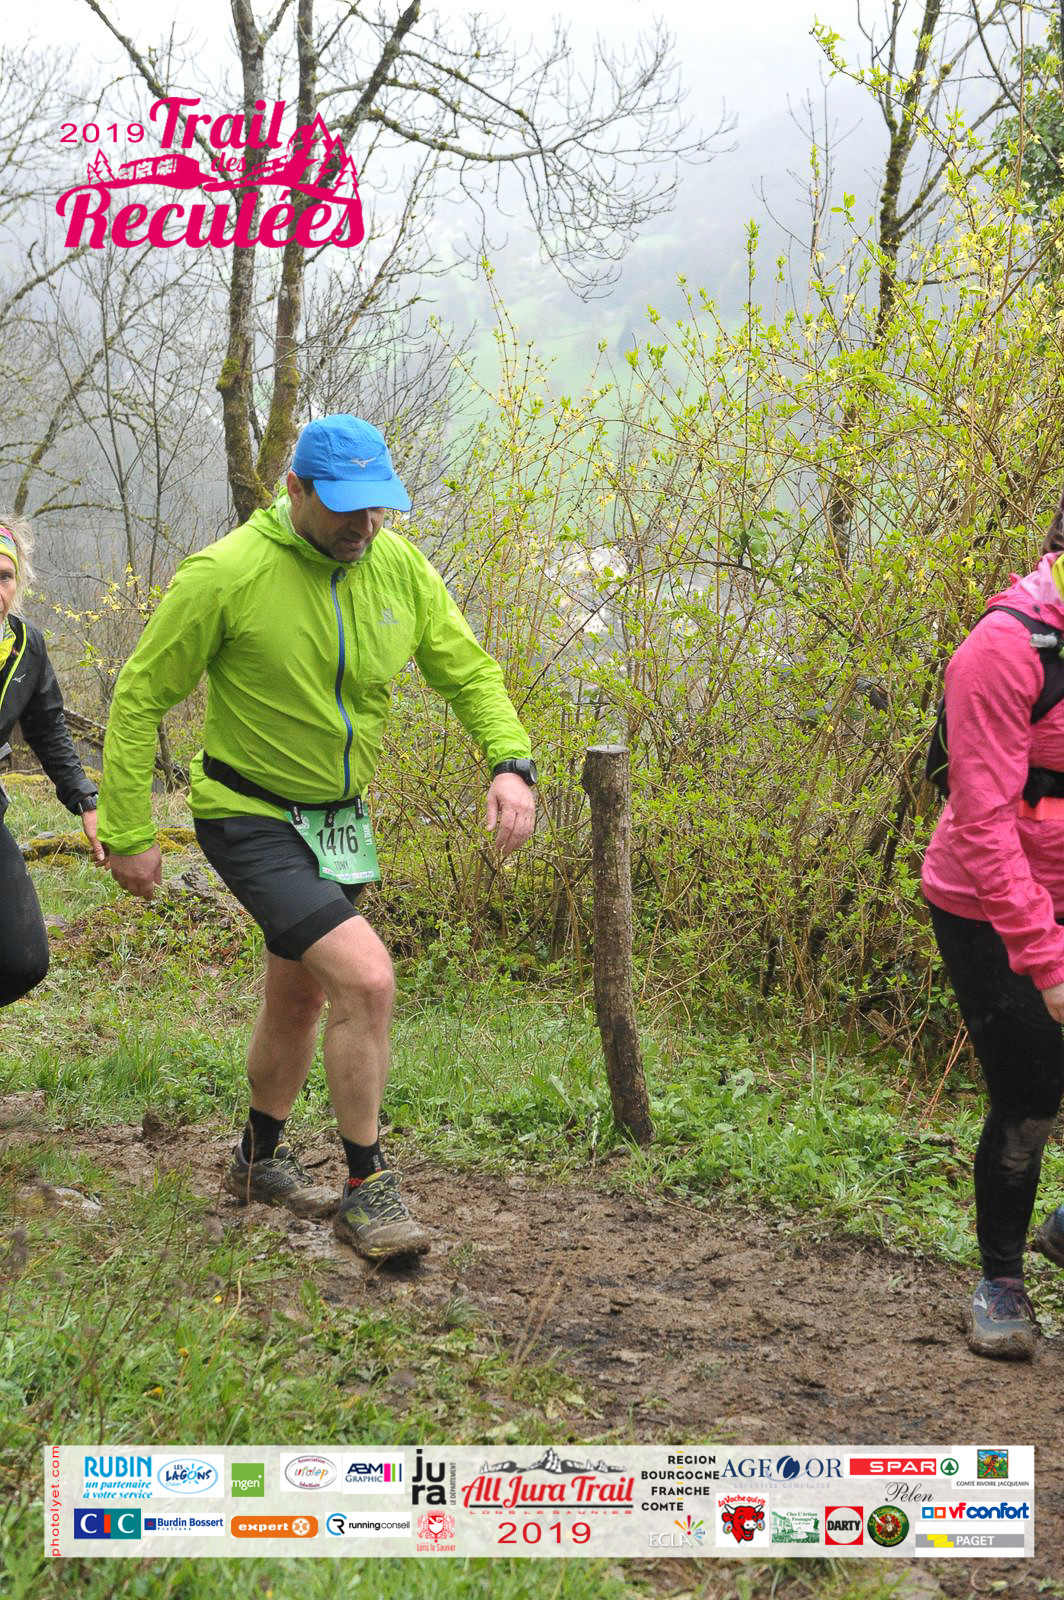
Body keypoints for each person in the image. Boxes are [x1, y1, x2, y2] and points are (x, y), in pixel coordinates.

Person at [98, 416, 536, 1260]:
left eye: (378, 506)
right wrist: (126, 826)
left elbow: (468, 670)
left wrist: (510, 762)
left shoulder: (398, 567)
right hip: (248, 814)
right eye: (344, 506)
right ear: (294, 489)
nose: (363, 525)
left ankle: (258, 1157)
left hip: (339, 824)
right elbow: (141, 691)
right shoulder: (226, 574)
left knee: (299, 998)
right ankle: (367, 1188)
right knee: (366, 979)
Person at [923, 506, 1064, 1359]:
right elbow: (982, 826)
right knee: (1031, 1093)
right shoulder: (1003, 651)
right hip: (987, 901)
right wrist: (1046, 961)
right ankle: (1001, 1282)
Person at [0, 519, 105, 1006]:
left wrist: (86, 800)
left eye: (5, 576)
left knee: (22, 960)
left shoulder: (26, 646)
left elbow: (47, 729)